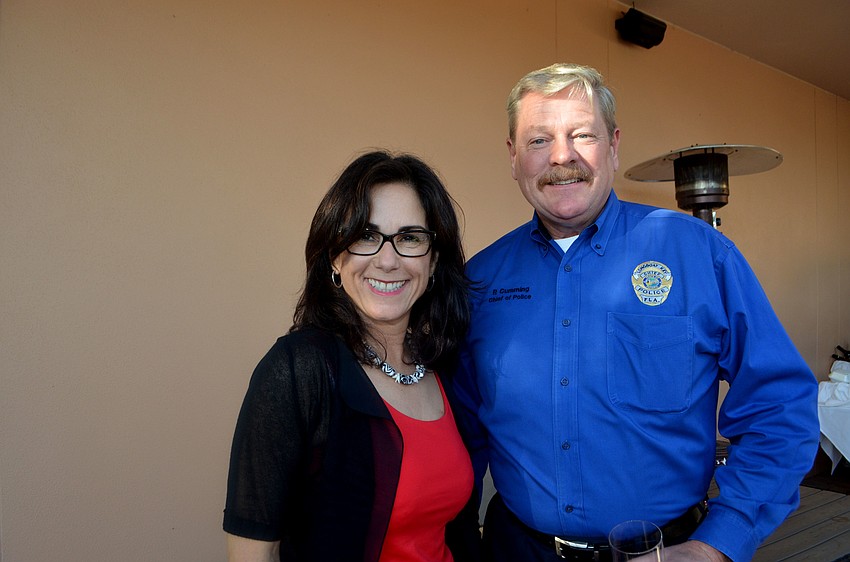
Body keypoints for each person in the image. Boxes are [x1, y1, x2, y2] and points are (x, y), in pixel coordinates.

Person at [450, 63, 820, 562]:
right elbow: (461, 437)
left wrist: (718, 544)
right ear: (513, 157)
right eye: (539, 141)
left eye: (583, 135)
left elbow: (780, 407)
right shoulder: (479, 281)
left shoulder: (700, 255)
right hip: (515, 549)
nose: (563, 157)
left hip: (666, 553)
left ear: (614, 145)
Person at [223, 150, 481, 562]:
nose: (387, 259)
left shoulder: (444, 366)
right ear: (334, 258)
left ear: (433, 262)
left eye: (411, 238)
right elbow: (251, 554)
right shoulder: (297, 370)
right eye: (365, 235)